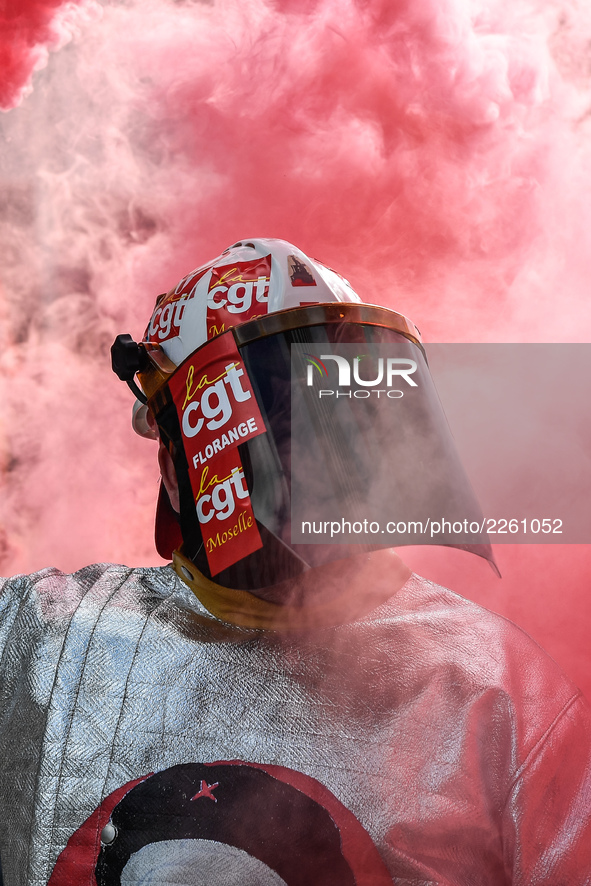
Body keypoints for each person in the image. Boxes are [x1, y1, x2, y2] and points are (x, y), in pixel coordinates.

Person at [0, 238, 589, 886]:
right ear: (176, 462)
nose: (304, 458)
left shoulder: (500, 694)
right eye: (274, 420)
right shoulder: (33, 640)